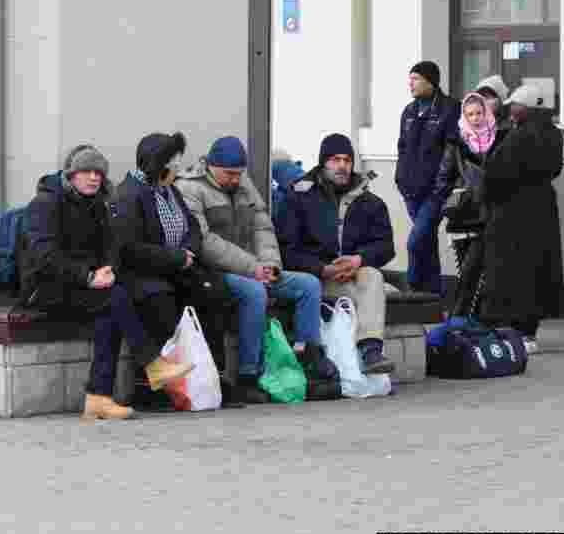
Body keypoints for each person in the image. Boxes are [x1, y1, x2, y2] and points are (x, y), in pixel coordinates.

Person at [20, 145, 193, 420]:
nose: (94, 178)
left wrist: (107, 269)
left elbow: (112, 244)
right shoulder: (46, 203)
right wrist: (88, 277)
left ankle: (98, 398)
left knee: (111, 308)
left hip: (84, 285)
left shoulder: (100, 202)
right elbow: (44, 257)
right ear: (71, 174)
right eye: (87, 172)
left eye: (98, 173)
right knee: (114, 299)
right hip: (45, 287)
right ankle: (151, 363)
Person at [176, 137, 336, 400]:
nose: (235, 179)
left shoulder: (244, 184)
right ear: (211, 167)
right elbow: (205, 242)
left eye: (239, 173)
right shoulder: (190, 188)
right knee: (254, 292)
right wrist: (253, 269)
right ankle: (248, 374)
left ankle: (309, 358)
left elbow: (262, 227)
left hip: (255, 267)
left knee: (308, 285)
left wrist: (270, 265)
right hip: (215, 272)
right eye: (229, 174)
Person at [112, 132, 241, 405]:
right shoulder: (129, 195)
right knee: (160, 297)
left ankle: (211, 376)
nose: (177, 167)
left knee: (212, 292)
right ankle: (157, 387)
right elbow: (130, 249)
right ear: (156, 163)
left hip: (178, 267)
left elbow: (192, 226)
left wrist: (187, 251)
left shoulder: (170, 190)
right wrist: (175, 257)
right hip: (143, 274)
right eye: (173, 162)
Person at [279, 134, 396, 374]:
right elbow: (286, 250)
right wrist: (323, 268)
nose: (342, 166)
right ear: (323, 163)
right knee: (367, 295)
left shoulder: (369, 201)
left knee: (372, 275)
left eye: (347, 160)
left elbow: (386, 247)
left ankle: (371, 350)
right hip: (318, 278)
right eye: (335, 160)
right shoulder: (299, 197)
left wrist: (358, 260)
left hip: (355, 273)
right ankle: (363, 355)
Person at [481, 84, 563, 354]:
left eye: (514, 106)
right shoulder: (553, 134)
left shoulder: (519, 137)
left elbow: (497, 174)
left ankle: (513, 331)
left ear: (525, 108)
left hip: (512, 212)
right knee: (538, 268)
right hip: (542, 208)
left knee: (512, 271)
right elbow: (555, 169)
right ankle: (529, 331)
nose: (510, 110)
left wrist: (485, 197)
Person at [433, 93, 508, 316]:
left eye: (479, 113)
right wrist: (449, 198)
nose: (475, 118)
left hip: (490, 213)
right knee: (466, 269)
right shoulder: (457, 142)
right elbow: (444, 175)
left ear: (487, 113)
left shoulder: (500, 138)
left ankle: (463, 316)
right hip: (464, 214)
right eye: (470, 114)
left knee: (476, 269)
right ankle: (467, 318)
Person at [395, 61, 461, 295]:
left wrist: (442, 187)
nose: (410, 83)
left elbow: (452, 149)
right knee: (427, 241)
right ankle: (433, 297)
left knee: (415, 242)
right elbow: (402, 147)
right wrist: (400, 178)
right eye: (410, 78)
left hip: (435, 192)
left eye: (416, 79)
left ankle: (412, 288)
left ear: (430, 81)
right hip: (411, 190)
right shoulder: (409, 111)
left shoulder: (450, 109)